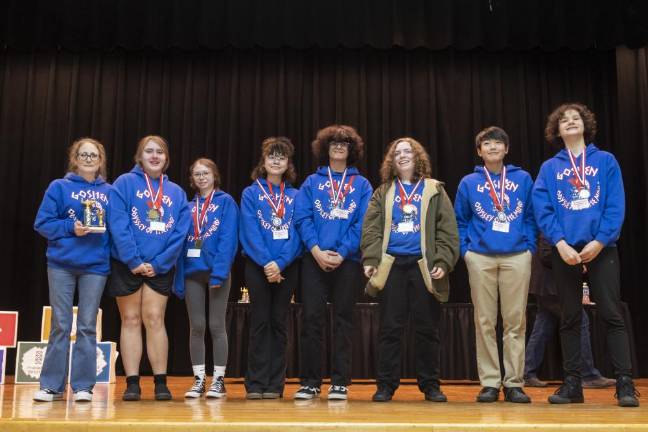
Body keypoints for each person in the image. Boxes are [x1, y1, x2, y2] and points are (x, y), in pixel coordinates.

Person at [533, 102, 639, 407]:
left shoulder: (605, 161)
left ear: (585, 125)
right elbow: (543, 208)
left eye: (575, 118)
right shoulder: (550, 168)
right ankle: (572, 385)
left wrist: (601, 240)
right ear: (556, 129)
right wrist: (560, 243)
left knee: (611, 313)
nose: (569, 122)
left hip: (601, 249)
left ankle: (625, 384)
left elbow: (615, 204)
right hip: (565, 252)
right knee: (569, 317)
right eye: (563, 120)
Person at [361, 137, 459, 402]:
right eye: (397, 152)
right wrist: (371, 258)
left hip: (423, 266)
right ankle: (385, 385)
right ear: (391, 161)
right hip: (392, 265)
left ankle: (430, 385)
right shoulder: (383, 192)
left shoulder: (435, 189)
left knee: (427, 328)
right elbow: (370, 229)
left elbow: (447, 230)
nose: (402, 155)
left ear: (418, 157)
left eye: (407, 151)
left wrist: (442, 261)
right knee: (390, 328)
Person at [454, 126, 537, 403]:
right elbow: (460, 221)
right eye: (486, 144)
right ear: (479, 151)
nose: (492, 147)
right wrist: (466, 252)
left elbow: (531, 216)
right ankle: (490, 382)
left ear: (506, 149)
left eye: (497, 143)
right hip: (480, 257)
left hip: (516, 256)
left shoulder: (523, 178)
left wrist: (529, 248)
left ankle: (514, 383)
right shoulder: (468, 182)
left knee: (515, 321)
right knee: (485, 321)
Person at [293, 125, 373, 400]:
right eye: (334, 143)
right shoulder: (311, 182)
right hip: (313, 259)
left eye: (345, 143)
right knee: (312, 319)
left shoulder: (361, 185)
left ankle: (340, 381)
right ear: (325, 147)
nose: (339, 147)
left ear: (352, 150)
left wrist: (342, 252)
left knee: (343, 320)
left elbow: (363, 223)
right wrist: (315, 250)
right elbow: (302, 219)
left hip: (347, 261)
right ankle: (310, 382)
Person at [107, 135, 190, 401]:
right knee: (130, 320)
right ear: (139, 157)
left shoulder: (177, 192)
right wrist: (133, 260)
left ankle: (160, 382)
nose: (154, 156)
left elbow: (180, 233)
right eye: (149, 151)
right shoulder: (124, 183)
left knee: (155, 319)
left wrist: (159, 263)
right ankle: (132, 382)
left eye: (160, 152)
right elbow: (118, 224)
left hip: (159, 266)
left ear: (167, 159)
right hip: (126, 264)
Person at [33, 138, 111, 402]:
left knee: (88, 326)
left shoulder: (109, 192)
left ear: (100, 160)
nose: (89, 159)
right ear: (75, 158)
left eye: (94, 155)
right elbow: (42, 223)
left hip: (95, 267)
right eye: (84, 155)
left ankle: (83, 387)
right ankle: (51, 386)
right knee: (61, 325)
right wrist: (70, 228)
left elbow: (117, 228)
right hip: (61, 265)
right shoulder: (59, 186)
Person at [240, 137, 302, 399]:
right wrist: (267, 262)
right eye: (271, 156)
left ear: (288, 163)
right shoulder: (251, 193)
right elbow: (249, 232)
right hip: (258, 266)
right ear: (263, 162)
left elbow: (298, 233)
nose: (276, 160)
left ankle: (275, 384)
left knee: (279, 323)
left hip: (287, 266)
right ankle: (255, 383)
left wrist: (280, 262)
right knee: (260, 322)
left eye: (281, 156)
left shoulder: (297, 195)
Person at [176, 158, 239, 399]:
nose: (202, 177)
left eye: (206, 173)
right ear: (192, 179)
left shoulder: (225, 202)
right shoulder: (187, 206)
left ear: (215, 175)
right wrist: (179, 277)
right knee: (197, 327)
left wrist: (220, 272)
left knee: (216, 325)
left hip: (216, 272)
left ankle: (219, 380)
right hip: (192, 272)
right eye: (197, 174)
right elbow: (180, 242)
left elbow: (228, 238)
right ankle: (199, 379)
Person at [524, 236, 615, 388]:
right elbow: (546, 254)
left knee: (543, 327)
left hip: (547, 286)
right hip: (550, 286)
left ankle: (527, 373)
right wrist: (576, 263)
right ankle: (588, 375)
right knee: (579, 320)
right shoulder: (550, 225)